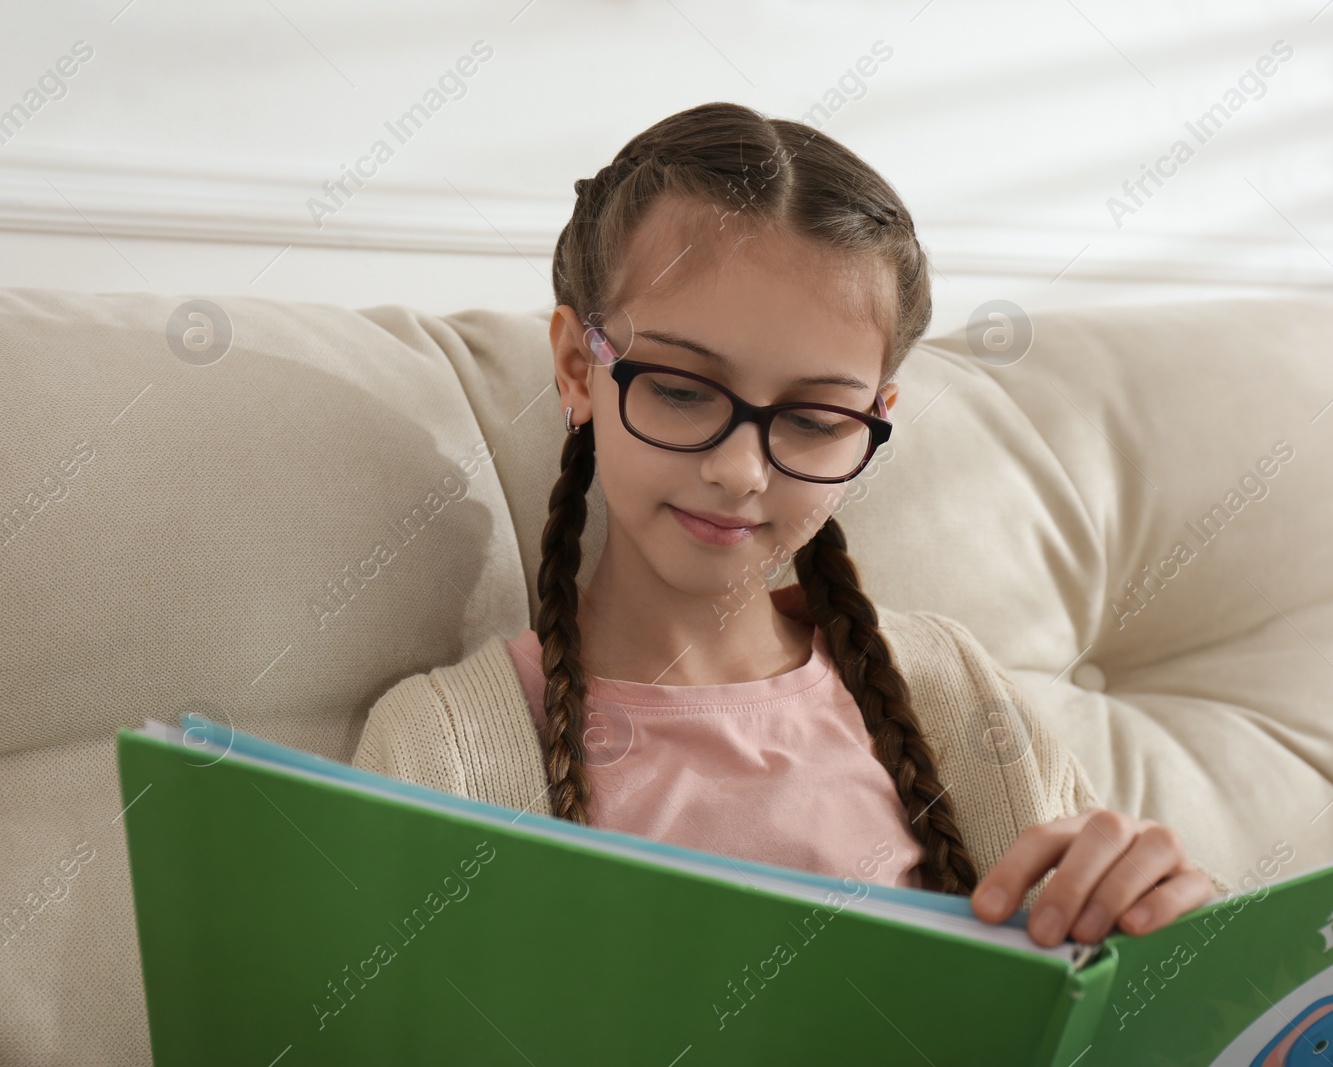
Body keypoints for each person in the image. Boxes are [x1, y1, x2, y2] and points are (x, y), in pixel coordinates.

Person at [354, 101, 1230, 950]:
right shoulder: (448, 750)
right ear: (580, 369)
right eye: (684, 391)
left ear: (875, 419)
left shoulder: (948, 689)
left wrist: (1179, 938)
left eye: (814, 418)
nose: (739, 471)